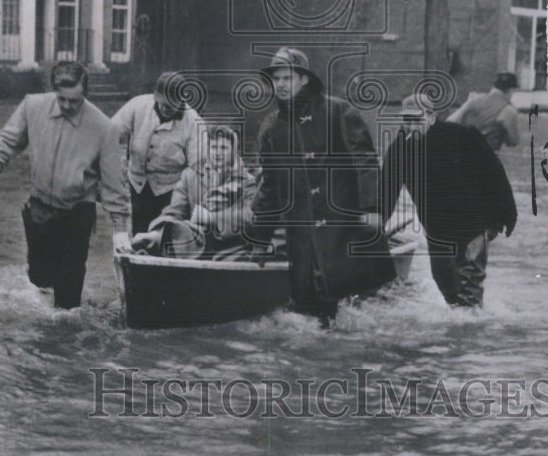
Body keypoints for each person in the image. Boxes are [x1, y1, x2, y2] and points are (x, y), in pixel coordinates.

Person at [251, 47, 395, 326]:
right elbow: (269, 188)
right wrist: (261, 238)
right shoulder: (271, 128)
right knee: (312, 314)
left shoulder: (338, 111)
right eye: (276, 79)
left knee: (361, 310)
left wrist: (373, 209)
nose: (279, 85)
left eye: (286, 78)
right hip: (302, 235)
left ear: (304, 79)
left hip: (344, 228)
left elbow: (365, 162)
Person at [0, 61, 130, 309]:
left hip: (77, 212)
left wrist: (121, 228)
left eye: (75, 101)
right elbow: (5, 142)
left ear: (85, 93)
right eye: (63, 100)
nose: (69, 106)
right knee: (40, 280)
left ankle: (66, 339)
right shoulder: (32, 106)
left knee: (67, 300)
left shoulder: (104, 128)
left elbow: (114, 184)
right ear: (54, 91)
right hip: (39, 207)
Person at [380, 93, 517, 309]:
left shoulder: (462, 136)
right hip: (437, 228)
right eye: (406, 120)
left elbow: (494, 174)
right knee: (445, 282)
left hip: (474, 223)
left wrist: (507, 216)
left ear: (431, 117)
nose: (411, 125)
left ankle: (471, 329)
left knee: (469, 284)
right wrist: (377, 223)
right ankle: (459, 326)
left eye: (417, 119)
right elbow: (387, 190)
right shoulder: (400, 149)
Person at [132, 124, 257, 258]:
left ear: (233, 151)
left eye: (223, 148)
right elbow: (175, 211)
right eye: (214, 147)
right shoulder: (190, 176)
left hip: (229, 246)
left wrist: (212, 218)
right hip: (192, 243)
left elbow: (249, 217)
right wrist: (158, 231)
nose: (218, 153)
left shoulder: (247, 181)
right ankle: (156, 239)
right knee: (168, 236)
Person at [111, 71, 203, 235]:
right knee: (140, 233)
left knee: (166, 234)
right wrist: (118, 165)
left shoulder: (193, 122)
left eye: (170, 105)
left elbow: (197, 167)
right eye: (161, 102)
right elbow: (111, 134)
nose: (164, 108)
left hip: (171, 189)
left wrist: (188, 200)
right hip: (139, 183)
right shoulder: (138, 105)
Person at [448, 72, 520, 152]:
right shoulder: (508, 109)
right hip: (487, 156)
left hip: (463, 153)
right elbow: (513, 142)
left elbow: (450, 121)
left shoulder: (473, 100)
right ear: (511, 89)